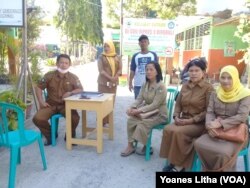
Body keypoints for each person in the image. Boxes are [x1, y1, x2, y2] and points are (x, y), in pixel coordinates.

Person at [159, 57, 214, 172]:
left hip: (199, 123)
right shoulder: (185, 86)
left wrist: (191, 121)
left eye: (197, 71)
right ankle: (173, 160)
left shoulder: (208, 88)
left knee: (178, 132)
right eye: (191, 71)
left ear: (203, 72)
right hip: (183, 119)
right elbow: (178, 104)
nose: (193, 73)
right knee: (168, 129)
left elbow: (209, 110)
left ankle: (180, 166)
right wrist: (176, 116)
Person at [194, 65, 250, 171]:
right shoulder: (216, 92)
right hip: (215, 129)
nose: (225, 81)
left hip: (236, 133)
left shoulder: (245, 94)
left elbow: (242, 116)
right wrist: (209, 125)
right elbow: (210, 111)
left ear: (235, 78)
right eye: (223, 77)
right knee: (199, 143)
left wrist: (220, 124)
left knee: (223, 152)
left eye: (229, 78)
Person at [33, 54, 83, 146]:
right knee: (37, 118)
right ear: (57, 64)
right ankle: (51, 135)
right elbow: (39, 87)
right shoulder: (49, 76)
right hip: (50, 105)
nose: (63, 65)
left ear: (69, 65)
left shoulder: (73, 77)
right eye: (61, 62)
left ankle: (69, 136)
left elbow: (80, 89)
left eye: (66, 63)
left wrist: (70, 93)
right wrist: (41, 101)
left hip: (66, 105)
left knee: (75, 118)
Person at [121, 62, 167, 157]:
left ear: (157, 72)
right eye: (147, 70)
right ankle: (130, 146)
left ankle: (147, 146)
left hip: (159, 114)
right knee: (131, 120)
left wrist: (138, 111)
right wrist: (131, 107)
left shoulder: (161, 86)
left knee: (142, 124)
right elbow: (139, 99)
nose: (148, 72)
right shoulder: (145, 84)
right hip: (147, 113)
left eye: (151, 69)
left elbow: (155, 105)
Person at [97, 40, 122, 126]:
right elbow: (101, 70)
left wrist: (115, 77)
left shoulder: (117, 57)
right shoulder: (101, 57)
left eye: (108, 46)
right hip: (103, 83)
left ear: (112, 47)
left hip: (113, 84)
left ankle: (107, 120)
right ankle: (101, 120)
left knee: (111, 102)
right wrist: (111, 78)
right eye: (105, 47)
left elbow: (120, 69)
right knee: (102, 102)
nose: (106, 48)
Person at [129, 34, 158, 99]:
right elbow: (132, 70)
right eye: (141, 42)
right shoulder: (135, 56)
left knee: (150, 105)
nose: (143, 43)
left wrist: (158, 82)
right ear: (139, 43)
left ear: (148, 43)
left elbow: (157, 69)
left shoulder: (153, 55)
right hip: (138, 85)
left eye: (145, 41)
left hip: (151, 85)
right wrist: (130, 82)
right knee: (137, 106)